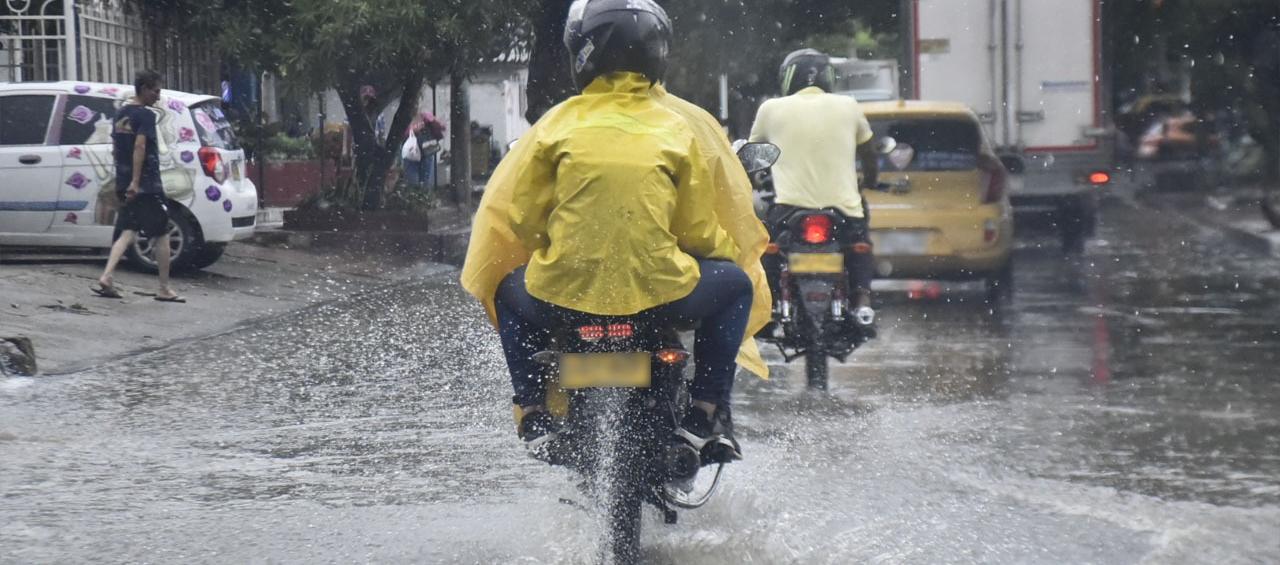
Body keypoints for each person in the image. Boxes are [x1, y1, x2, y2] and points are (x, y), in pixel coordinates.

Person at [460, 0, 771, 462]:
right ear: (658, 53)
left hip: (562, 295)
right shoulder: (679, 127)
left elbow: (522, 220)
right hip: (662, 294)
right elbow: (697, 228)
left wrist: (561, 248)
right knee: (736, 286)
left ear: (581, 55)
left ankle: (531, 411)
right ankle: (707, 411)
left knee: (506, 291)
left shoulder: (553, 125)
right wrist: (721, 255)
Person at [749, 48, 880, 334]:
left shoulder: (771, 109)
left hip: (788, 209)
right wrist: (869, 180)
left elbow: (752, 158)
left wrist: (755, 183)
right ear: (828, 77)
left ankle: (770, 306)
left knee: (769, 247)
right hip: (844, 210)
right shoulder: (849, 105)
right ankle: (862, 300)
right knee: (858, 244)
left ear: (788, 78)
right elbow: (869, 154)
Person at [92, 69, 184, 303]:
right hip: (145, 185)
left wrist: (123, 180)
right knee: (161, 233)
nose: (158, 96)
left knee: (128, 230)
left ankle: (107, 276)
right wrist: (136, 181)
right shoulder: (144, 116)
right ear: (144, 88)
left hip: (125, 181)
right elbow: (140, 147)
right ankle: (164, 288)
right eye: (156, 91)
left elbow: (116, 148)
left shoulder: (121, 114)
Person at [401, 112, 444, 188]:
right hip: (420, 152)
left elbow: (440, 128)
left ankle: (419, 195)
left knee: (417, 181)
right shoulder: (425, 116)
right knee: (420, 181)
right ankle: (421, 195)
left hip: (420, 153)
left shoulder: (424, 116)